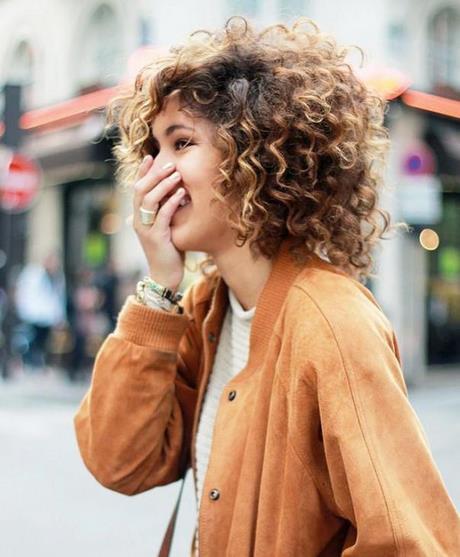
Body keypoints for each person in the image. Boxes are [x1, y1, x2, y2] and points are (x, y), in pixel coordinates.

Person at [74, 17, 460, 556]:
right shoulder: (209, 309)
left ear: (257, 156)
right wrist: (160, 284)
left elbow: (410, 543)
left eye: (180, 143)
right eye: (152, 151)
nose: (153, 175)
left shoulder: (332, 322)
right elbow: (120, 461)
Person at [15, 251, 66, 371]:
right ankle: (31, 365)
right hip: (32, 314)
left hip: (47, 317)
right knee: (31, 340)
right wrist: (22, 309)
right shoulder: (32, 273)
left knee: (43, 342)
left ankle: (38, 364)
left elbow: (58, 297)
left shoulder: (57, 277)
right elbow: (23, 293)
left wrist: (60, 317)